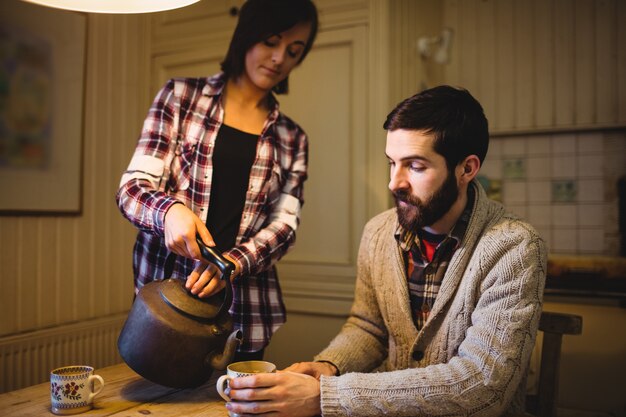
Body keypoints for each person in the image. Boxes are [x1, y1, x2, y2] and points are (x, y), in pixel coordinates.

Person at [223, 86, 548, 416]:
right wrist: (329, 366)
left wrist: (327, 396)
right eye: (392, 163)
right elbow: (369, 328)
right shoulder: (378, 233)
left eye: (415, 166)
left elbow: (483, 386)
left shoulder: (515, 247)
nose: (395, 182)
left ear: (466, 169)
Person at [116, 0, 318, 361]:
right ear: (247, 35)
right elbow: (133, 188)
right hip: (165, 309)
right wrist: (169, 212)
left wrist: (233, 263)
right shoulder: (181, 98)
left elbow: (285, 226)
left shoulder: (292, 138)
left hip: (245, 314)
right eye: (271, 41)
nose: (279, 58)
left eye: (293, 50)